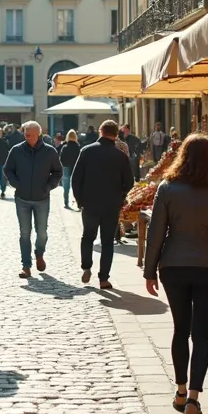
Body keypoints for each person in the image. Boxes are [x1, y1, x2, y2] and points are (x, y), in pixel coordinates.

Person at [143, 134, 208, 414]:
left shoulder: (168, 188)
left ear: (181, 157)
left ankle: (179, 390)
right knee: (201, 335)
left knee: (180, 329)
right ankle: (194, 399)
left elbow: (156, 234)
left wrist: (150, 271)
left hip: (174, 267)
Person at [71, 121, 135, 289]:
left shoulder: (87, 151)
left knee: (88, 236)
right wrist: (120, 196)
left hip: (90, 203)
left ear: (100, 131)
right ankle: (103, 278)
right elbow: (129, 182)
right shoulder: (120, 156)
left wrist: (80, 199)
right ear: (116, 134)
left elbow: (75, 179)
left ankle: (86, 266)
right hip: (111, 205)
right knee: (107, 241)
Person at [4, 121, 63, 278]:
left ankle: (39, 253)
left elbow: (58, 172)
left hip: (42, 198)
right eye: (25, 134)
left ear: (39, 134)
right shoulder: (16, 150)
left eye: (30, 135)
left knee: (42, 232)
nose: (27, 137)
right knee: (24, 233)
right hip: (22, 198)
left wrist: (48, 186)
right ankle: (26, 265)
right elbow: (8, 169)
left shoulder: (49, 152)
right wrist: (17, 184)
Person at [58, 130, 82, 210]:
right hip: (75, 167)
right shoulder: (78, 147)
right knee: (76, 186)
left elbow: (61, 159)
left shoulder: (65, 147)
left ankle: (66, 202)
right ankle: (78, 202)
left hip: (66, 167)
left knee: (66, 187)